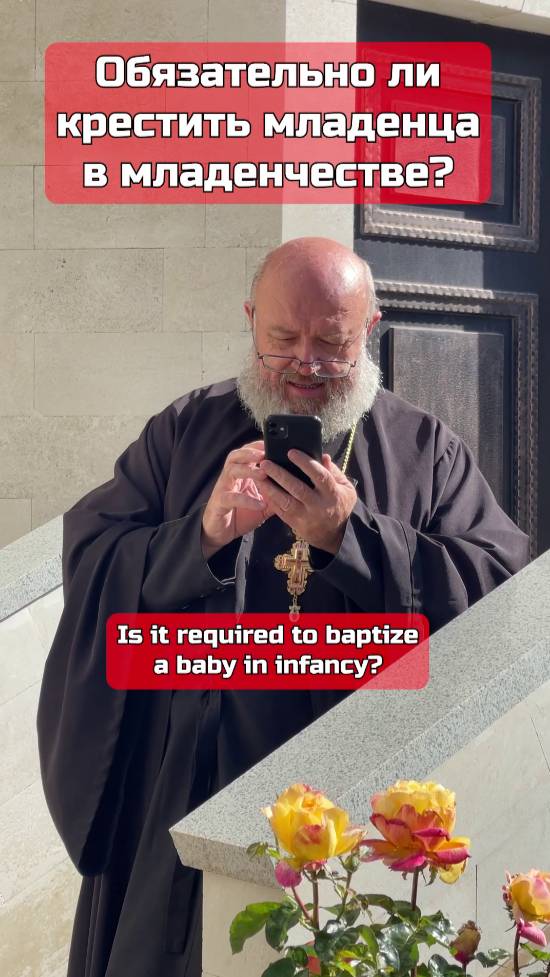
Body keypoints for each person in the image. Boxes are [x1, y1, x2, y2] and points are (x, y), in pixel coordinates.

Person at [36, 237, 530, 977]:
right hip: (190, 782)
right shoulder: (187, 430)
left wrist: (352, 538)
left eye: (331, 343)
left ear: (370, 328)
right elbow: (94, 553)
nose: (305, 363)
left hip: (355, 796)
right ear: (250, 321)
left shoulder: (424, 449)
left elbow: (501, 591)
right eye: (282, 339)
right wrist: (200, 537)